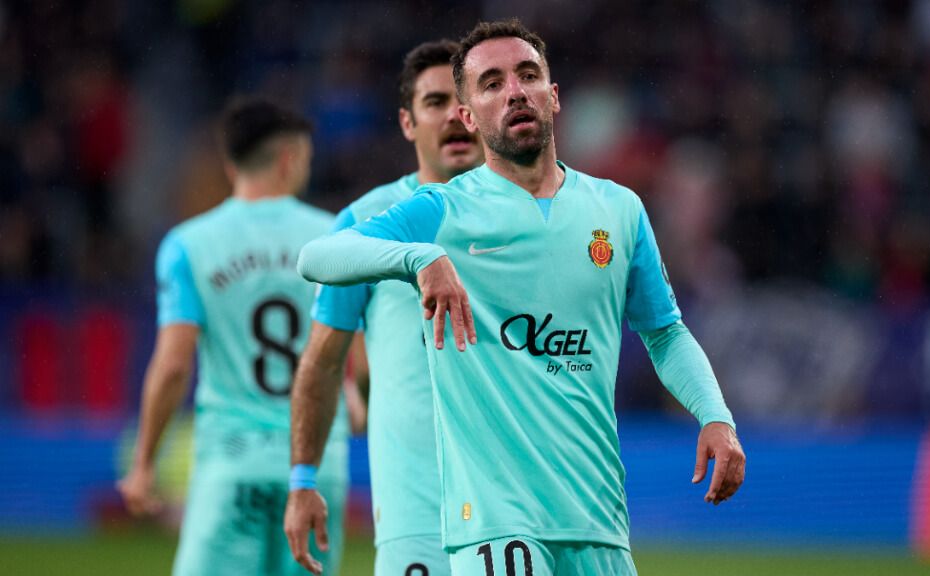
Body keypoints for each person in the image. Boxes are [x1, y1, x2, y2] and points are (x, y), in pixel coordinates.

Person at [298, 19, 746, 576]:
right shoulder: (445, 211)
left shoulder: (619, 209)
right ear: (468, 116)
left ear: (553, 97)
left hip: (596, 516)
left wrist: (714, 415)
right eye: (491, 83)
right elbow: (317, 257)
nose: (514, 91)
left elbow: (664, 331)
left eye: (528, 75)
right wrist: (419, 257)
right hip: (496, 526)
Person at [118, 97, 349, 576]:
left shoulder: (188, 244)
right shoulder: (335, 239)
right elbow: (358, 360)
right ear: (289, 159)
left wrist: (144, 462)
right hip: (315, 467)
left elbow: (174, 363)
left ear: (229, 163)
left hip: (232, 461)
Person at [284, 40, 484, 576]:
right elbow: (323, 361)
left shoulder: (532, 217)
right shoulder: (367, 222)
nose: (454, 117)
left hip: (518, 507)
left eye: (464, 102)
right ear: (407, 122)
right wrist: (303, 480)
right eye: (435, 102)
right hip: (414, 511)